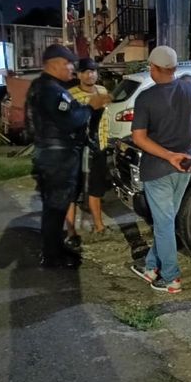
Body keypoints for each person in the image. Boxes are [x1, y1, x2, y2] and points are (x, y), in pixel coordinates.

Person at [130, 46, 191, 294]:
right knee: (167, 220)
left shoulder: (146, 98)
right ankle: (151, 266)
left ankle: (171, 278)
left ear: (153, 68)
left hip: (158, 169)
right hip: (185, 164)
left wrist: (168, 155)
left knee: (163, 224)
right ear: (173, 69)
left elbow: (139, 138)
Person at [26, 44, 111, 268]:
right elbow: (72, 119)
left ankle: (54, 251)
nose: (71, 68)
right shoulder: (51, 90)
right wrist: (91, 107)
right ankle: (53, 257)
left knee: (55, 207)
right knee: (55, 208)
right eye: (68, 64)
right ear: (54, 64)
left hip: (51, 155)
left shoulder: (43, 86)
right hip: (58, 158)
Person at [64, 58, 111, 244]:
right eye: (85, 71)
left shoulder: (102, 91)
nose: (90, 74)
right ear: (78, 74)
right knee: (72, 192)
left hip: (98, 148)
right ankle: (71, 233)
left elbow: (105, 121)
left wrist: (106, 143)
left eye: (93, 71)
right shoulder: (69, 95)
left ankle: (99, 226)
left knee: (95, 189)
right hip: (75, 151)